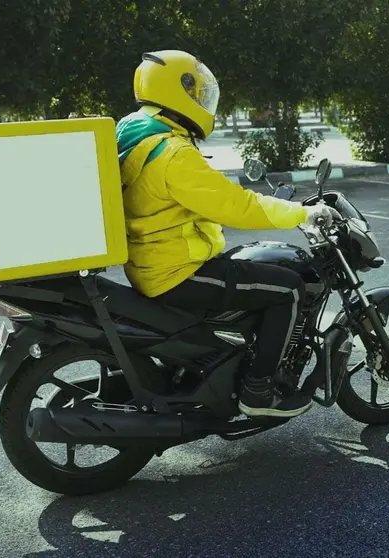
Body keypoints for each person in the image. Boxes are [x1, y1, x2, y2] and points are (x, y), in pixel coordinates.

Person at [115, 49, 340, 418]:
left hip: (150, 264)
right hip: (177, 272)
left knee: (246, 273)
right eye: (197, 92)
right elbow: (237, 206)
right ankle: (258, 390)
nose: (203, 101)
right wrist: (302, 212)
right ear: (177, 91)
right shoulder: (173, 153)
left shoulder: (134, 130)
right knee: (287, 290)